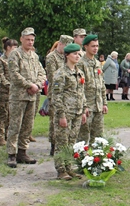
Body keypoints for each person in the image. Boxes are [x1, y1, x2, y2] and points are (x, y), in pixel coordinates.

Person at [6, 27, 46, 168]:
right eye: (28, 39)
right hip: (19, 96)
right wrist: (29, 85)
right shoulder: (15, 54)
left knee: (28, 126)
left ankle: (22, 152)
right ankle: (12, 153)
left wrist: (38, 84)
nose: (30, 42)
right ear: (21, 39)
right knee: (15, 125)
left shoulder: (34, 56)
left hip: (33, 96)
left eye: (32, 40)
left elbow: (42, 72)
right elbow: (14, 74)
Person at [53, 43, 87, 180]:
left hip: (77, 112)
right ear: (67, 55)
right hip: (66, 113)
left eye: (79, 54)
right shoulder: (61, 74)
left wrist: (84, 110)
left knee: (72, 142)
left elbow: (82, 92)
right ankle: (61, 170)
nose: (77, 56)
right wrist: (61, 115)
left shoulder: (79, 72)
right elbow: (57, 95)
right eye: (74, 54)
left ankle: (69, 167)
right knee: (62, 142)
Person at [77, 34, 108, 144]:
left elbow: (102, 84)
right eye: (93, 46)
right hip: (87, 106)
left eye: (97, 46)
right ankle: (81, 159)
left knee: (98, 138)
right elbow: (79, 87)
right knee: (83, 137)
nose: (95, 48)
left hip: (98, 105)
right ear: (85, 47)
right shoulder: (81, 63)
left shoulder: (97, 63)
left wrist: (104, 103)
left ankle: (96, 159)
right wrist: (83, 106)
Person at [45, 35, 74, 155]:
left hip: (68, 95)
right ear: (60, 44)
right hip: (55, 93)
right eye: (66, 46)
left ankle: (65, 144)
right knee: (55, 119)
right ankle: (53, 144)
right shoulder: (51, 57)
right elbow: (53, 76)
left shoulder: (66, 57)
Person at [0, 38, 19, 146]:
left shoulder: (14, 59)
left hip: (14, 92)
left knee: (11, 115)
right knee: (3, 114)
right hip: (5, 92)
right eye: (14, 47)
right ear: (8, 48)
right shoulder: (1, 60)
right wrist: (10, 85)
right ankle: (0, 136)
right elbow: (0, 76)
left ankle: (7, 135)